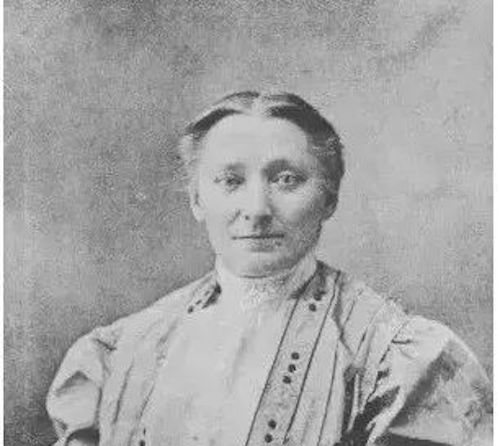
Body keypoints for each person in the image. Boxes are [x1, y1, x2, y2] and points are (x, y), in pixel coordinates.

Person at [46, 91, 492, 446]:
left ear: (329, 198)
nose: (257, 209)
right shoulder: (120, 353)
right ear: (197, 200)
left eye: (287, 180)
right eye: (230, 181)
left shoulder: (393, 359)